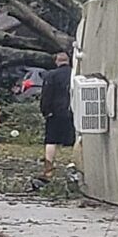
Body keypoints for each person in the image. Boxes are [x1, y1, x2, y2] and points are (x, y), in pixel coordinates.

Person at [40, 50, 75, 179]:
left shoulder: (51, 75)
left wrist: (45, 110)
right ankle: (75, 165)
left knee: (51, 140)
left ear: (56, 61)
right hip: (73, 111)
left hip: (55, 112)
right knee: (75, 139)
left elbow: (46, 94)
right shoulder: (75, 73)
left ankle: (49, 168)